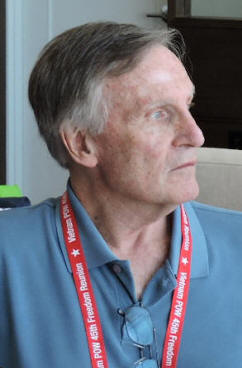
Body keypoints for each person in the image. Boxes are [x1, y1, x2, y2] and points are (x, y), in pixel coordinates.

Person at [0, 22, 242, 368]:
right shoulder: (7, 258)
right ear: (82, 143)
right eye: (159, 114)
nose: (196, 135)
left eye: (189, 106)